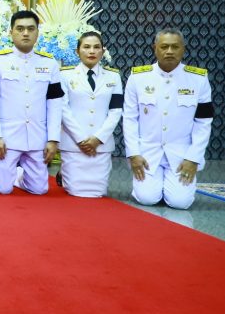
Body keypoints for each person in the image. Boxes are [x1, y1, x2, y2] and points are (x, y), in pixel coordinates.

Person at [123, 28, 213, 210]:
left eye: (175, 47)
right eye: (164, 47)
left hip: (181, 155)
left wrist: (193, 158)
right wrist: (133, 154)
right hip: (147, 153)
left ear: (183, 49)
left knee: (180, 202)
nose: (169, 51)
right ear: (155, 48)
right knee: (147, 198)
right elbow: (130, 119)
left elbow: (203, 123)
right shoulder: (138, 77)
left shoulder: (198, 79)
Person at [0, 10, 64, 195]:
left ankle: (17, 175)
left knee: (39, 189)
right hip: (7, 137)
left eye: (30, 29)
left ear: (37, 33)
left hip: (37, 137)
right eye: (20, 29)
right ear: (11, 32)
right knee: (3, 189)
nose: (25, 33)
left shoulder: (50, 63)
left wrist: (53, 139)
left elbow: (55, 104)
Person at [59, 31, 123, 197]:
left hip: (100, 146)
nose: (92, 51)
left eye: (96, 47)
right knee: (75, 191)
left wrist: (98, 138)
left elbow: (116, 111)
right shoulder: (65, 75)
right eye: (86, 47)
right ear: (77, 51)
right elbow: (63, 109)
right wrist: (81, 139)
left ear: (103, 51)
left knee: (98, 193)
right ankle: (63, 175)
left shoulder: (113, 77)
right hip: (73, 144)